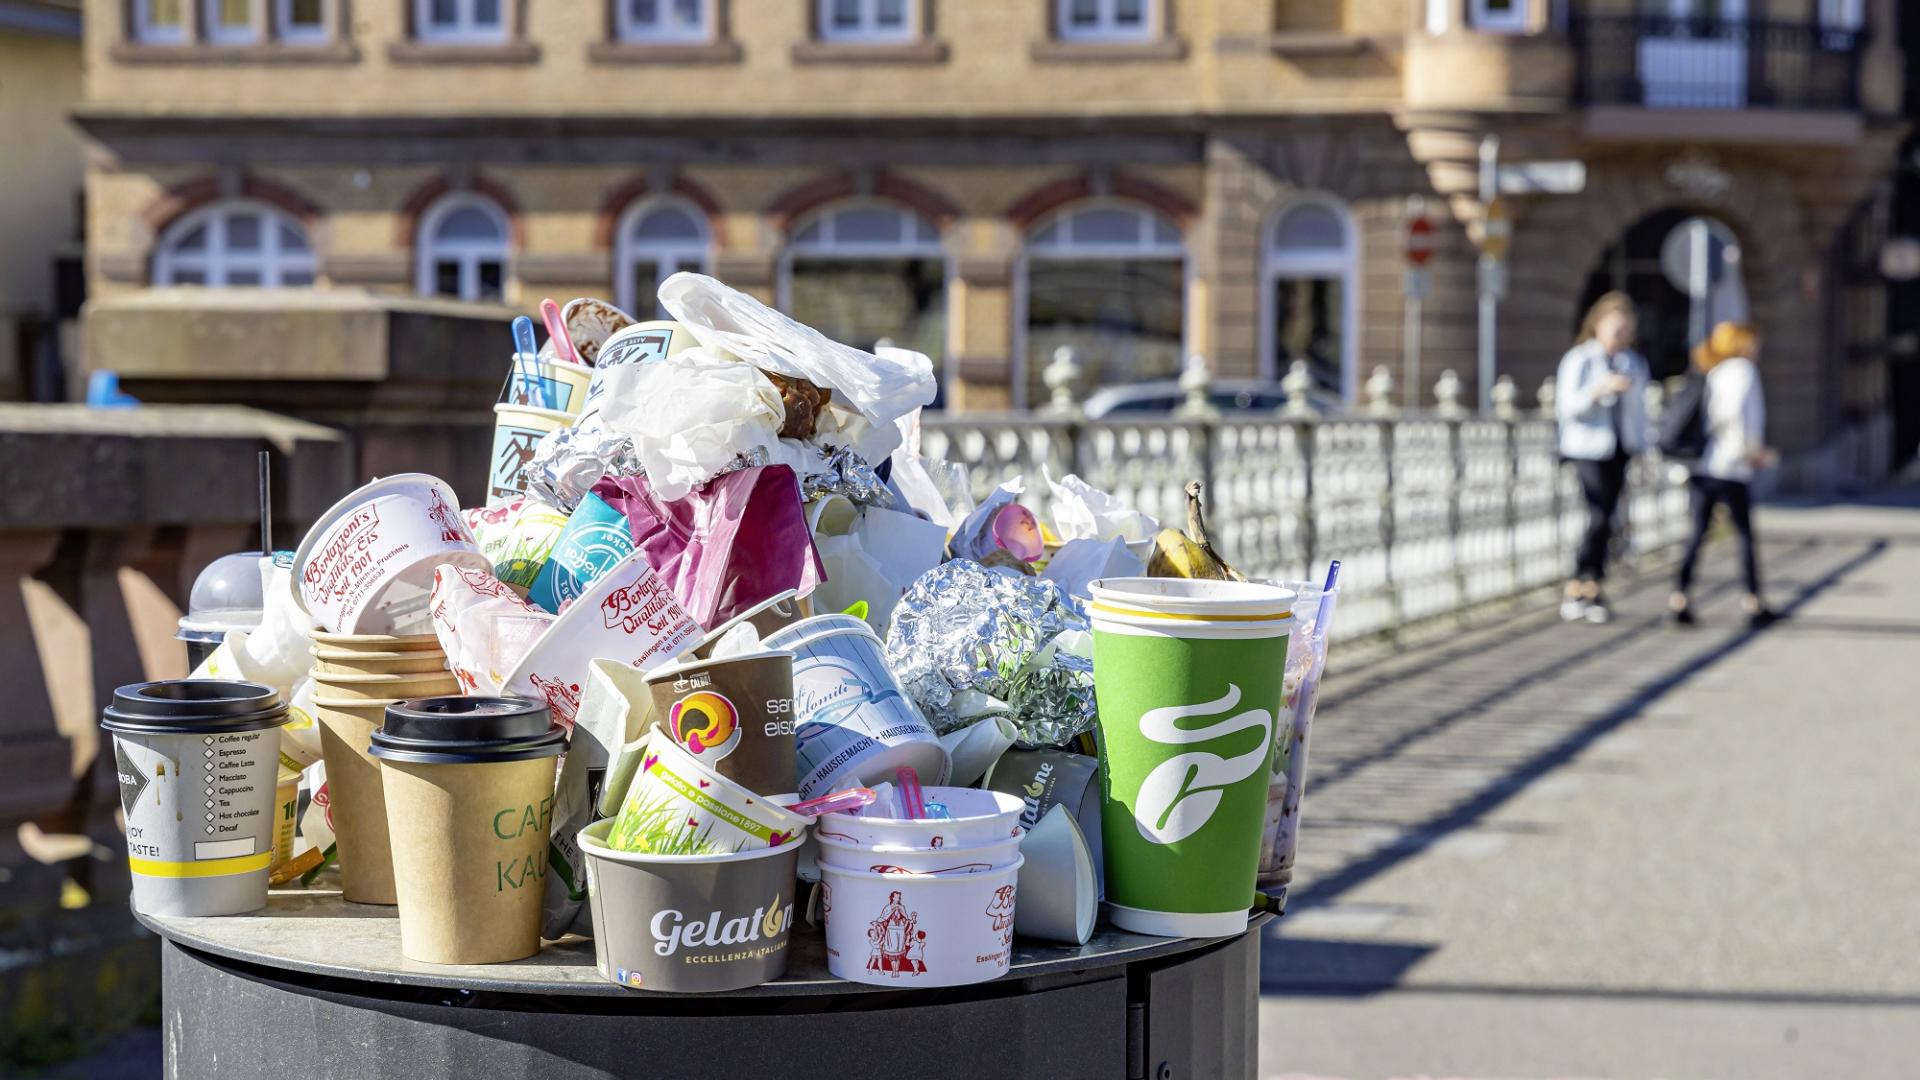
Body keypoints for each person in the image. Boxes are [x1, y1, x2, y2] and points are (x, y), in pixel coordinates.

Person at [1671, 322, 1776, 628]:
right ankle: (1753, 601)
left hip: (1704, 464)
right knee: (1743, 534)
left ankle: (1679, 595)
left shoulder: (1714, 371)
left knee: (1697, 532)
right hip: (1731, 466)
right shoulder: (1743, 371)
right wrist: (1751, 452)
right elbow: (1735, 417)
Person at [1556, 292, 1650, 624]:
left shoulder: (1633, 363)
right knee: (1597, 515)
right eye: (1616, 329)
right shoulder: (1580, 360)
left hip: (1620, 448)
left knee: (1610, 518)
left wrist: (1643, 448)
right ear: (1598, 325)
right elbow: (1566, 408)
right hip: (1587, 448)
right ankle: (1576, 583)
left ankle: (1592, 587)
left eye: (1627, 331)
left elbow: (1641, 413)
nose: (1621, 337)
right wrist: (1599, 390)